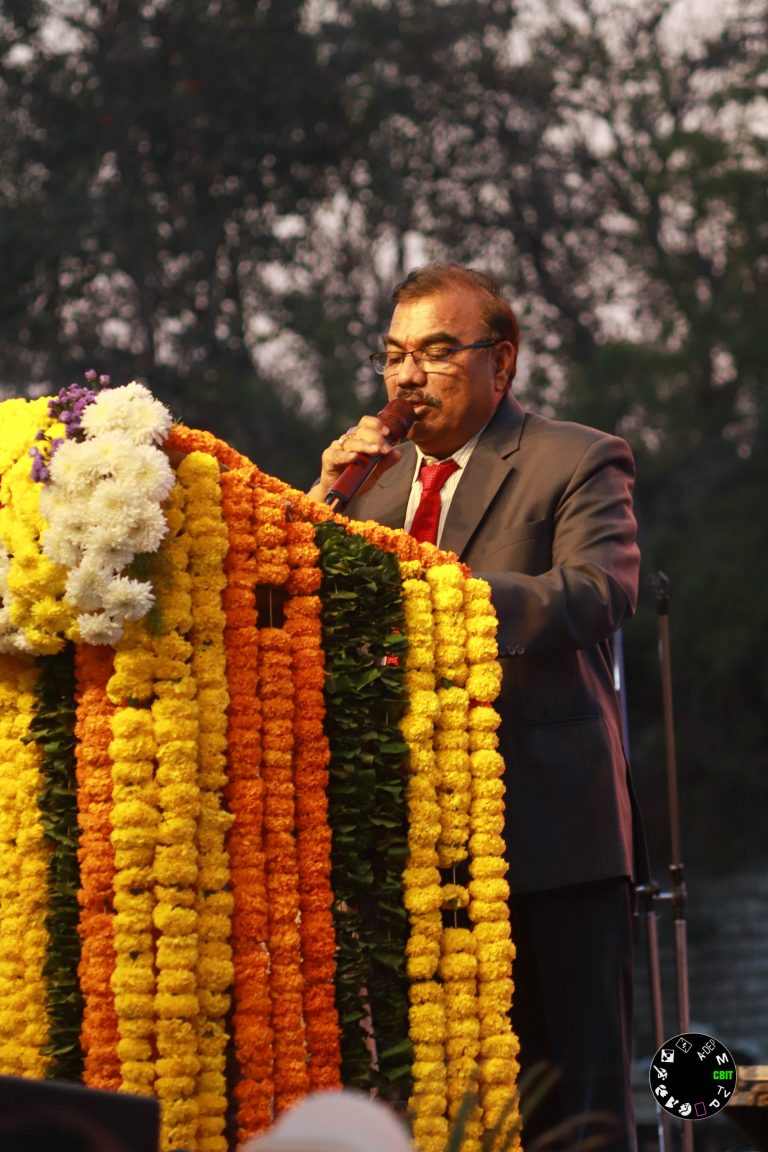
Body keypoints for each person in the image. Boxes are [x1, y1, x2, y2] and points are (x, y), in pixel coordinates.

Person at [309, 263, 646, 1152]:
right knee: (439, 1113)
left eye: (434, 352)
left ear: (502, 361)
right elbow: (302, 612)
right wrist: (318, 502)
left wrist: (432, 594)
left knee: (574, 1111)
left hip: (549, 837)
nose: (407, 377)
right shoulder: (371, 486)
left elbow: (596, 593)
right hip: (410, 848)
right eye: (393, 356)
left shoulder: (576, 457)